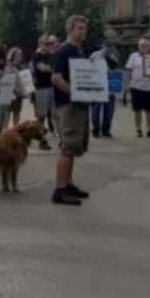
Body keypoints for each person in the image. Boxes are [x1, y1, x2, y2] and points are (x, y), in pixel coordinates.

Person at [50, 15, 91, 206]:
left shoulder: (79, 50)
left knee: (75, 146)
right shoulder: (64, 51)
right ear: (70, 30)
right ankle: (60, 189)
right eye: (80, 28)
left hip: (80, 104)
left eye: (84, 28)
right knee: (67, 147)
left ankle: (68, 184)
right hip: (69, 104)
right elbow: (56, 78)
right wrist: (75, 93)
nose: (83, 31)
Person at [124, 37, 150, 138]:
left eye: (146, 45)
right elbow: (128, 70)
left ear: (149, 47)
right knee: (137, 110)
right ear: (138, 47)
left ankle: (149, 129)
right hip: (136, 87)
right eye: (142, 45)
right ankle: (138, 129)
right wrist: (126, 84)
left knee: (149, 110)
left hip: (149, 87)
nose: (144, 47)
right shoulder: (133, 56)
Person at [31, 35, 58, 150]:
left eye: (50, 43)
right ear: (40, 44)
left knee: (56, 115)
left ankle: (61, 138)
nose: (49, 46)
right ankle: (42, 139)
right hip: (41, 87)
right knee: (41, 115)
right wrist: (52, 69)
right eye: (46, 44)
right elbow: (42, 68)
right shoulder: (37, 56)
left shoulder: (53, 56)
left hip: (53, 87)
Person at [90, 45, 119, 138]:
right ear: (103, 46)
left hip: (110, 85)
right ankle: (96, 129)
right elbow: (89, 67)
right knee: (96, 108)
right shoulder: (94, 55)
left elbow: (116, 68)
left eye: (111, 46)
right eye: (107, 46)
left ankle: (106, 129)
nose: (108, 48)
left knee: (109, 109)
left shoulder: (114, 55)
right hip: (97, 84)